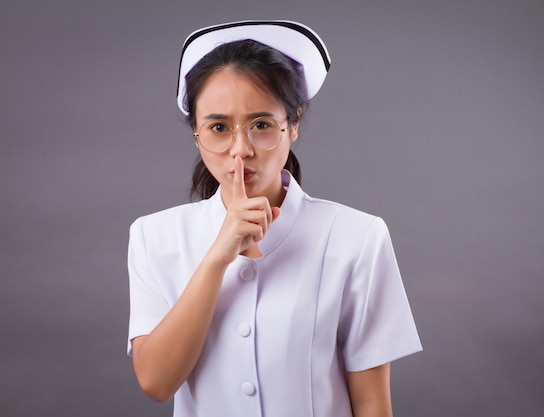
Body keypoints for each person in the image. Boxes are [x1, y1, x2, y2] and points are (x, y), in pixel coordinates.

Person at [127, 20, 422, 417]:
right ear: (196, 133)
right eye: (218, 127)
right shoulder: (154, 236)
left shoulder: (357, 237)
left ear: (293, 124)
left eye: (261, 125)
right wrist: (217, 257)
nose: (240, 149)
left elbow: (371, 403)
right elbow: (156, 382)